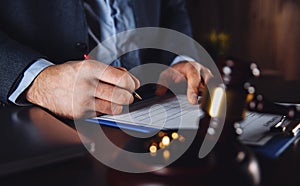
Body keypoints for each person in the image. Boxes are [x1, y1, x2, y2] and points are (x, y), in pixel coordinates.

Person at [0, 0, 212, 119]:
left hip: (152, 108)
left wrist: (178, 58)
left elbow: (171, 7)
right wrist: (40, 82)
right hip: (43, 127)